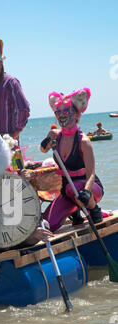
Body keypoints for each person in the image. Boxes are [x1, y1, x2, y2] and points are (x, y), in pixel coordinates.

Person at [41, 88, 104, 232]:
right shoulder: (55, 135)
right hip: (68, 191)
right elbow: (43, 150)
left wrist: (87, 193)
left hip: (90, 190)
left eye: (66, 111)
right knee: (47, 224)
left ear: (76, 114)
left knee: (73, 188)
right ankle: (75, 214)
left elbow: (91, 174)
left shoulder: (84, 141)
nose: (62, 115)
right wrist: (44, 144)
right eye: (58, 112)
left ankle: (95, 211)